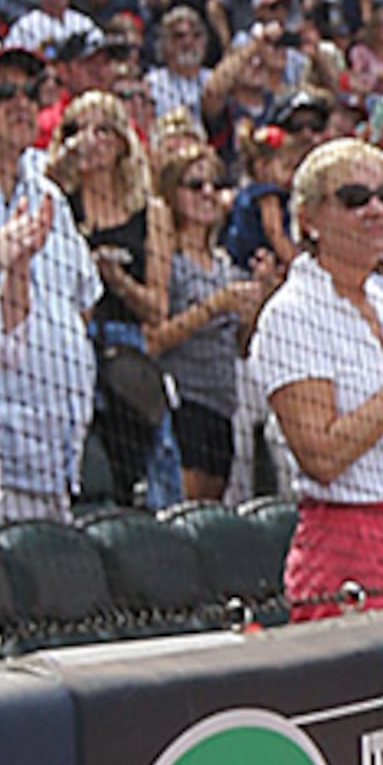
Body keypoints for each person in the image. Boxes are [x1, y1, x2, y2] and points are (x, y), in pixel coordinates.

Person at [251, 140, 383, 617]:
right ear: (308, 219)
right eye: (353, 198)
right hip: (350, 543)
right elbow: (322, 457)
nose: (376, 210)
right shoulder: (292, 313)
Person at [0, 40, 101, 523]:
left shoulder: (46, 189)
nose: (21, 103)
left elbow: (82, 300)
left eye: (28, 91)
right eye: (1, 92)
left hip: (57, 460)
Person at [47, 87, 172, 507]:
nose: (89, 140)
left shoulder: (150, 211)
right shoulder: (56, 205)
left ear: (122, 142)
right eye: (76, 130)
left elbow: (157, 308)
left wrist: (115, 279)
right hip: (69, 343)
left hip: (127, 348)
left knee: (142, 470)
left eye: (102, 129)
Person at [147, 140, 272, 503]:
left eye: (215, 185)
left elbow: (238, 345)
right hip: (183, 404)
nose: (207, 193)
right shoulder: (169, 261)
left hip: (223, 406)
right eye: (195, 185)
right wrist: (214, 307)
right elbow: (154, 339)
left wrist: (256, 303)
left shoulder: (225, 264)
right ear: (173, 193)